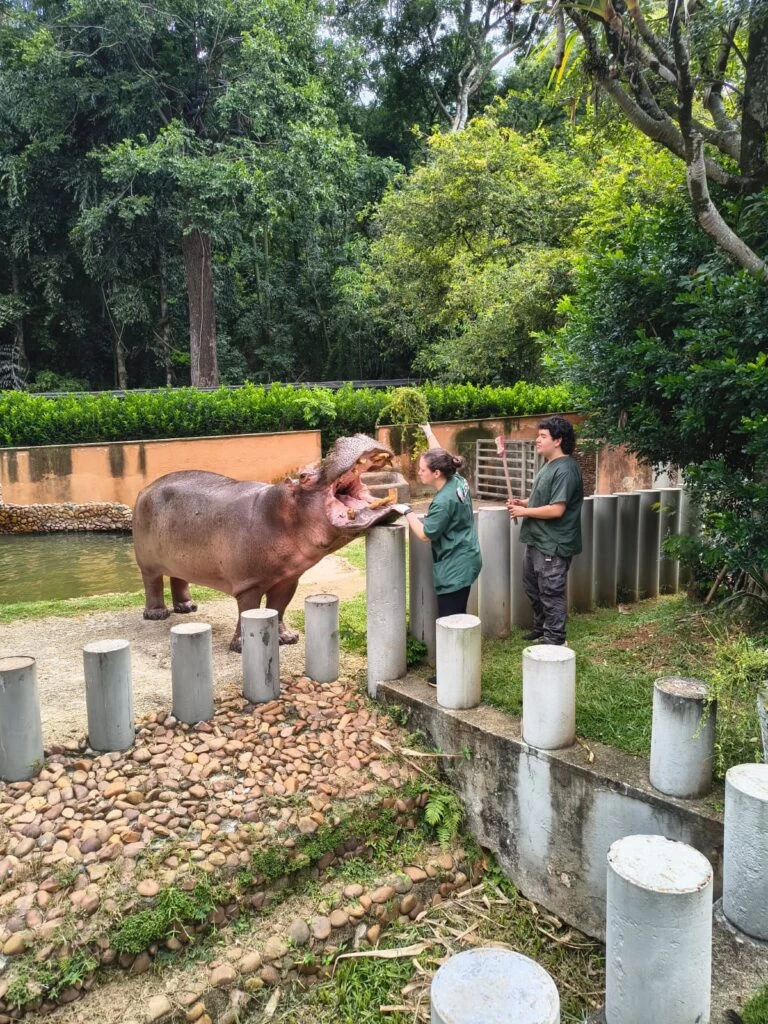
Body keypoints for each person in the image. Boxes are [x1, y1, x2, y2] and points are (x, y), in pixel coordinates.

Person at [393, 424, 482, 683]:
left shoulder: (443, 502)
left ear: (436, 473)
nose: (418, 472)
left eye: (422, 469)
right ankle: (458, 666)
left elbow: (424, 534)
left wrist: (407, 512)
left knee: (449, 621)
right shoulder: (457, 480)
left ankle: (449, 676)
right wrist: (428, 432)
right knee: (458, 614)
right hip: (468, 555)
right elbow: (440, 454)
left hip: (455, 565)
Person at [507, 415, 583, 646]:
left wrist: (524, 512)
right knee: (532, 587)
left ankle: (555, 638)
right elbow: (543, 498)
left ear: (558, 440)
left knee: (551, 591)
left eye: (542, 436)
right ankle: (542, 629)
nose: (537, 440)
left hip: (553, 543)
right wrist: (523, 502)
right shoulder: (548, 464)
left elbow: (557, 509)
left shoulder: (566, 469)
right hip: (537, 540)